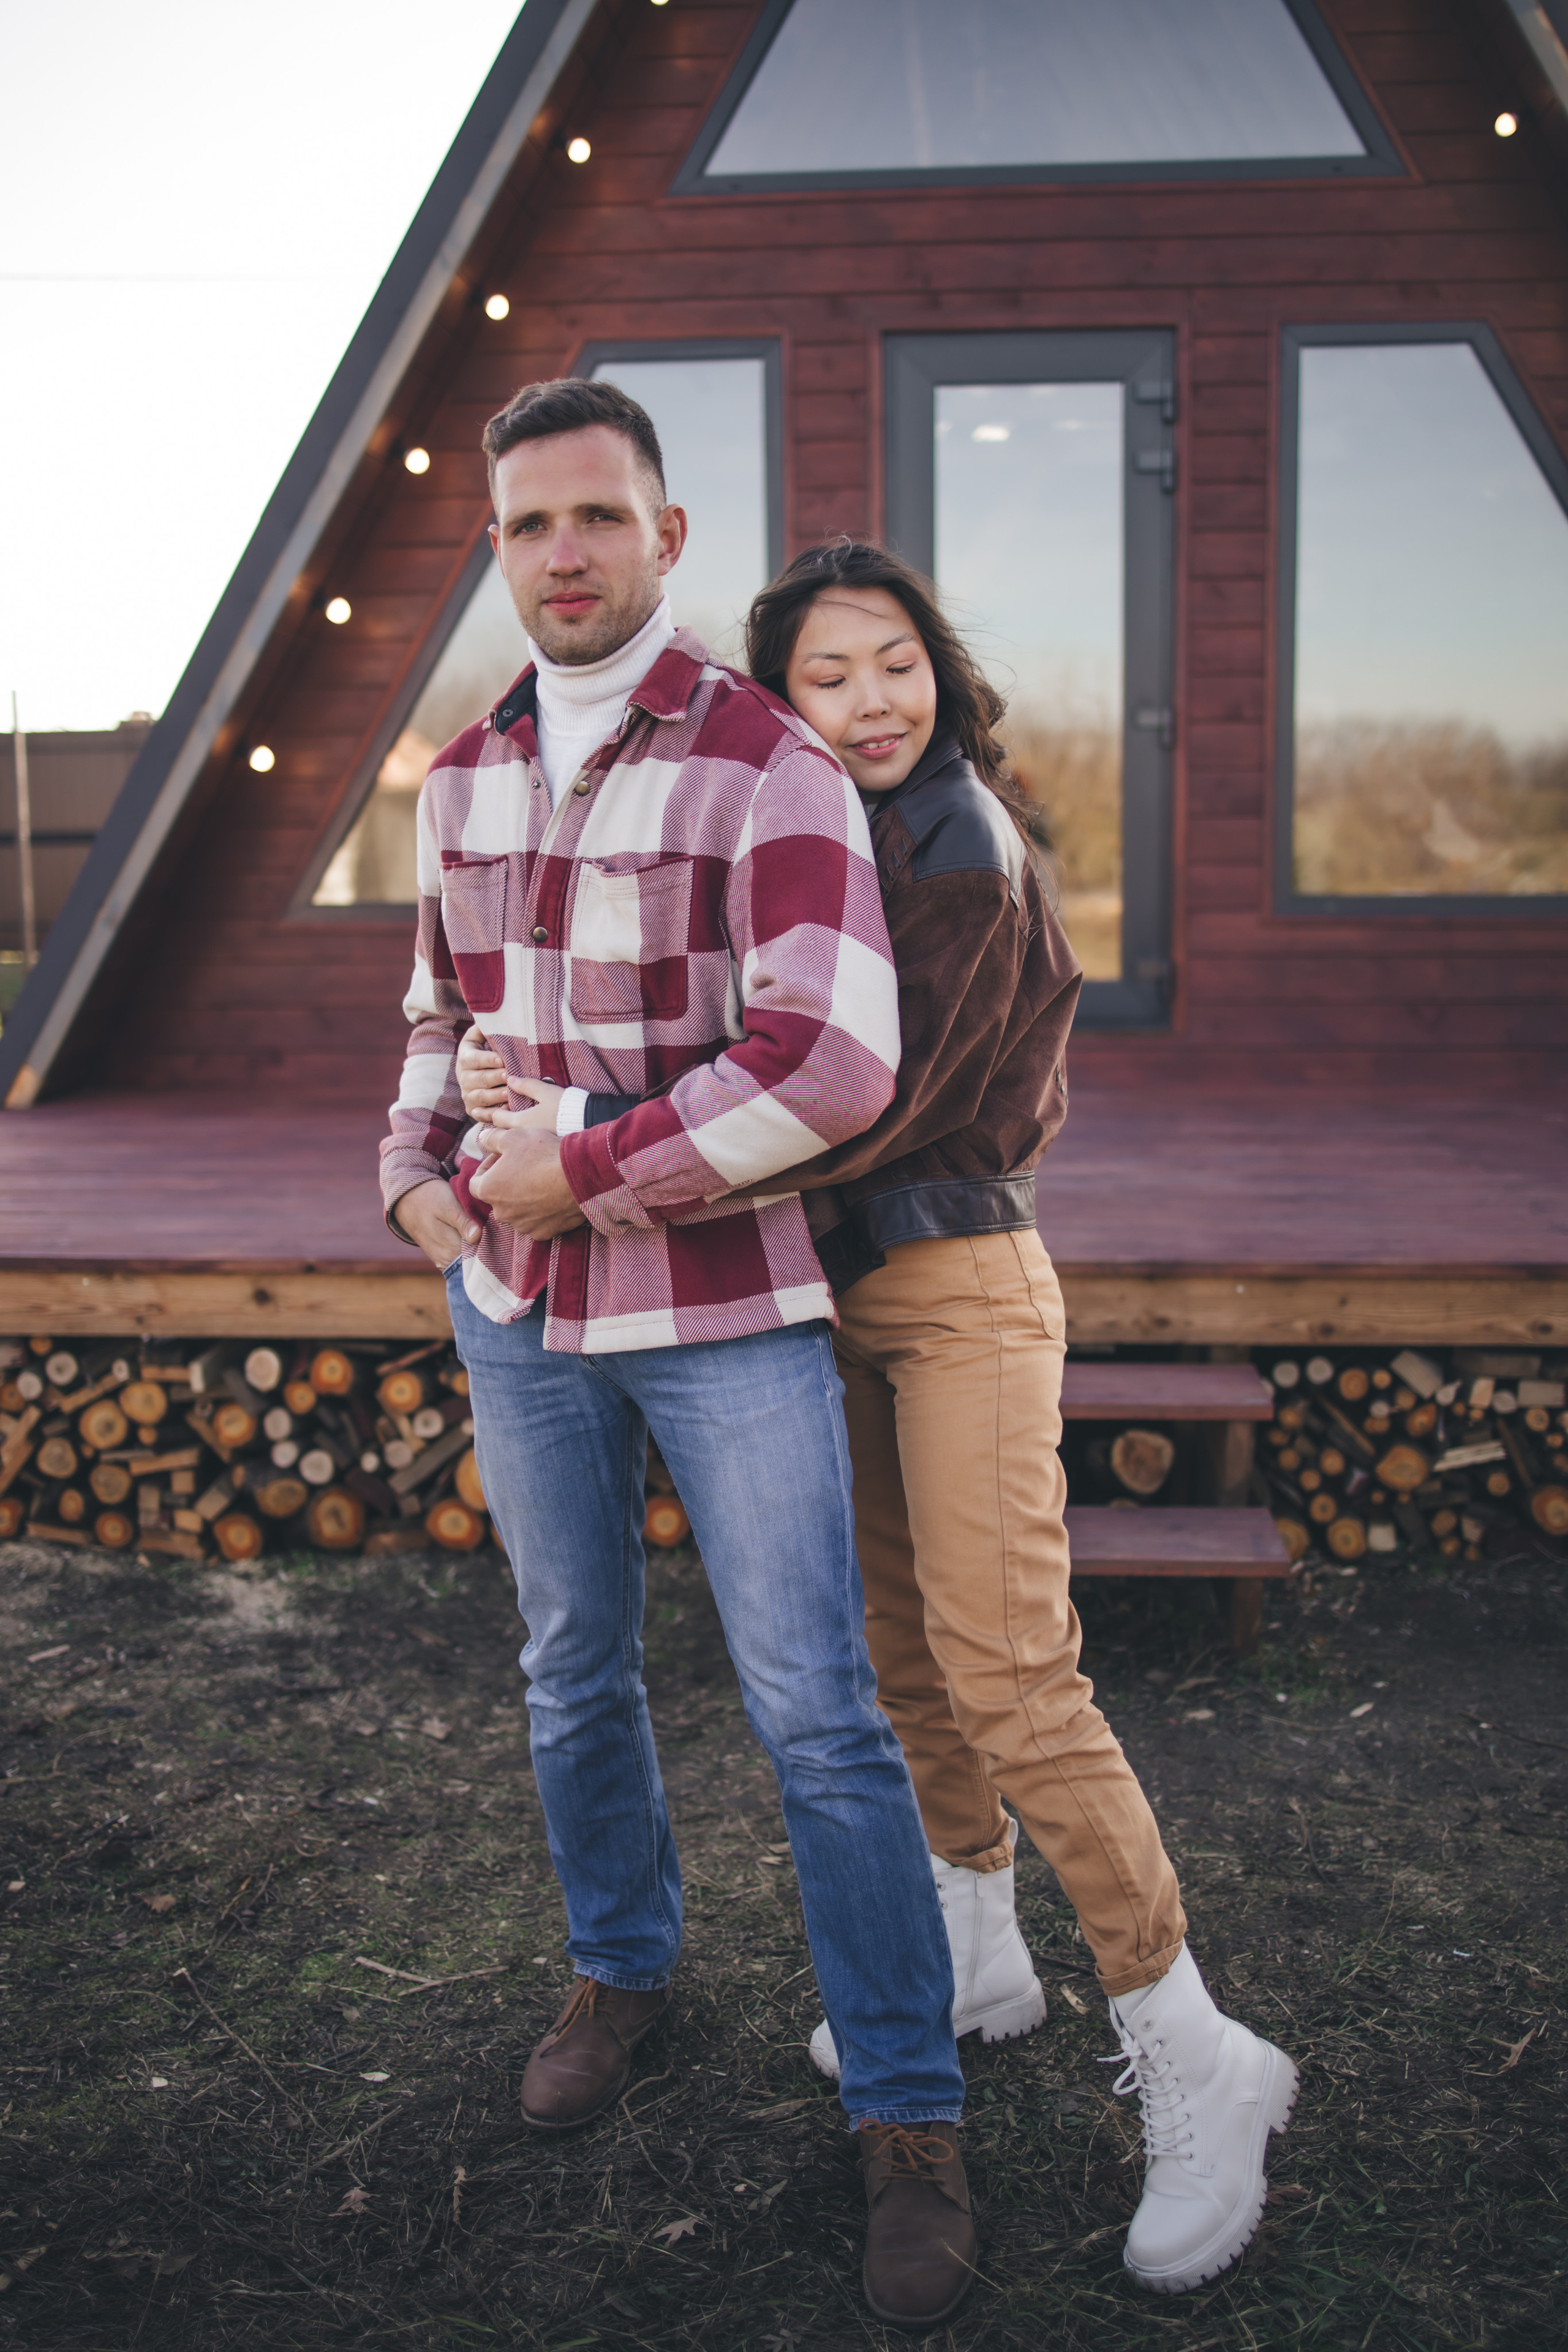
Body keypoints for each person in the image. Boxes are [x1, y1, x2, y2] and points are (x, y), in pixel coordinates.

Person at [460, 540, 1298, 2299]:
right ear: (784, 701)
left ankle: (1199, 2052)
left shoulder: (962, 849)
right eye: (827, 677)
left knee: (1013, 1671)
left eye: (896, 663)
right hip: (815, 1293)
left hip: (958, 1283)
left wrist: (590, 1143)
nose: (870, 702)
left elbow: (838, 1093)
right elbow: (733, 1043)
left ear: (941, 671)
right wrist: (544, 1088)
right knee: (901, 1658)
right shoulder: (823, 835)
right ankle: (979, 1951)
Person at [380, 384, 978, 2332]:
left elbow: (832, 1058)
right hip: (518, 1317)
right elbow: (433, 1011)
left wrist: (587, 1170)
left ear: (670, 533)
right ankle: (623, 1974)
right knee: (572, 1672)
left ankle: (908, 2109)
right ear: (499, 543)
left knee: (818, 1710)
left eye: (599, 517)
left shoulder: (768, 766)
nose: (564, 550)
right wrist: (418, 1182)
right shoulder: (459, 777)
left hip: (722, 1313)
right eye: (529, 521)